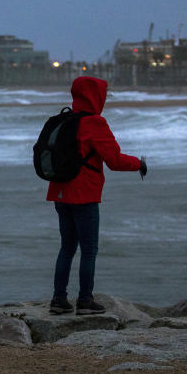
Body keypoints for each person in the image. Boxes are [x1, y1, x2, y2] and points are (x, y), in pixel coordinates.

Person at [47, 76, 146, 315]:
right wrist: (139, 164)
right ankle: (85, 300)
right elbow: (114, 160)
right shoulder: (95, 123)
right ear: (96, 96)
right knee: (89, 249)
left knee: (67, 247)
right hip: (84, 194)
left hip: (60, 192)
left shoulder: (65, 119)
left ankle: (59, 299)